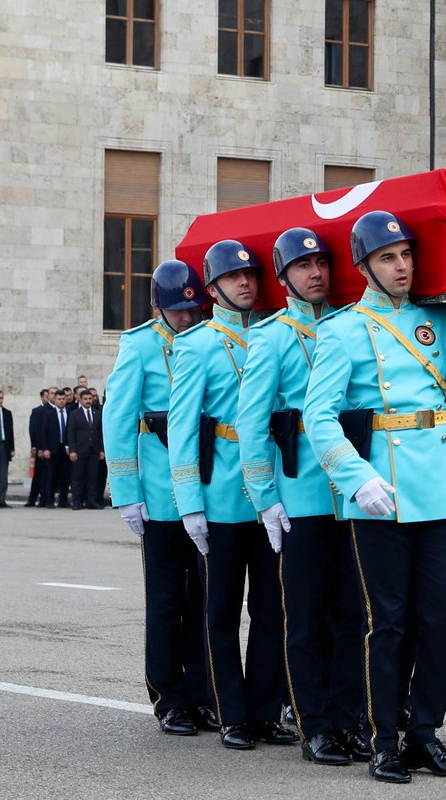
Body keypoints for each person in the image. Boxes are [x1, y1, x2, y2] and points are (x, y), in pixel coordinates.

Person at [303, 211, 446, 783]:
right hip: (380, 488)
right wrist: (354, 477)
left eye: (406, 254)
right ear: (363, 266)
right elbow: (319, 415)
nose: (402, 266)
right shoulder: (342, 329)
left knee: (444, 617)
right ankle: (385, 739)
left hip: (439, 486)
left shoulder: (439, 320)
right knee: (389, 622)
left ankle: (426, 733)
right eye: (387, 257)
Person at [234, 227, 366, 765]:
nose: (317, 273)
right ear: (284, 276)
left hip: (353, 492)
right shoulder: (270, 337)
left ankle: (351, 719)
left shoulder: (353, 326)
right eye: (303, 266)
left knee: (353, 615)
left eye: (322, 263)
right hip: (302, 494)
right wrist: (264, 496)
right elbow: (251, 423)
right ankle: (314, 724)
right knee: (307, 615)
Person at [168, 241, 297, 751]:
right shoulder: (197, 345)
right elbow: (181, 428)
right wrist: (189, 503)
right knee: (220, 611)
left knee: (272, 607)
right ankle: (230, 712)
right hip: (220, 493)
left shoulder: (272, 336)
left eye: (250, 275)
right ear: (213, 287)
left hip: (269, 492)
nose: (245, 283)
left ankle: (265, 710)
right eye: (233, 277)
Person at [104, 259, 215, 736]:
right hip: (161, 494)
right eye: (178, 311)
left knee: (208, 601)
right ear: (157, 308)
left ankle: (206, 693)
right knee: (168, 601)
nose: (188, 318)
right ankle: (170, 696)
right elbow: (119, 421)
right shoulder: (140, 345)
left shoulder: (210, 338)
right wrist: (127, 491)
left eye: (194, 308)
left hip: (209, 490)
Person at [66, 389, 103, 510]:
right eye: (85, 399)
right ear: (80, 400)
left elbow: (101, 433)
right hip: (79, 450)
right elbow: (70, 433)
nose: (88, 401)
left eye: (90, 399)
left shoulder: (97, 413)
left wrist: (102, 450)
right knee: (78, 478)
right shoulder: (74, 414)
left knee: (93, 478)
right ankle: (76, 502)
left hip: (94, 451)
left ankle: (91, 501)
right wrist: (72, 450)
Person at [0, 390, 13, 507]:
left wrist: (12, 448)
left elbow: (10, 432)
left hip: (4, 446)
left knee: (3, 474)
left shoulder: (7, 413)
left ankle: (1, 499)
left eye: (0, 398)